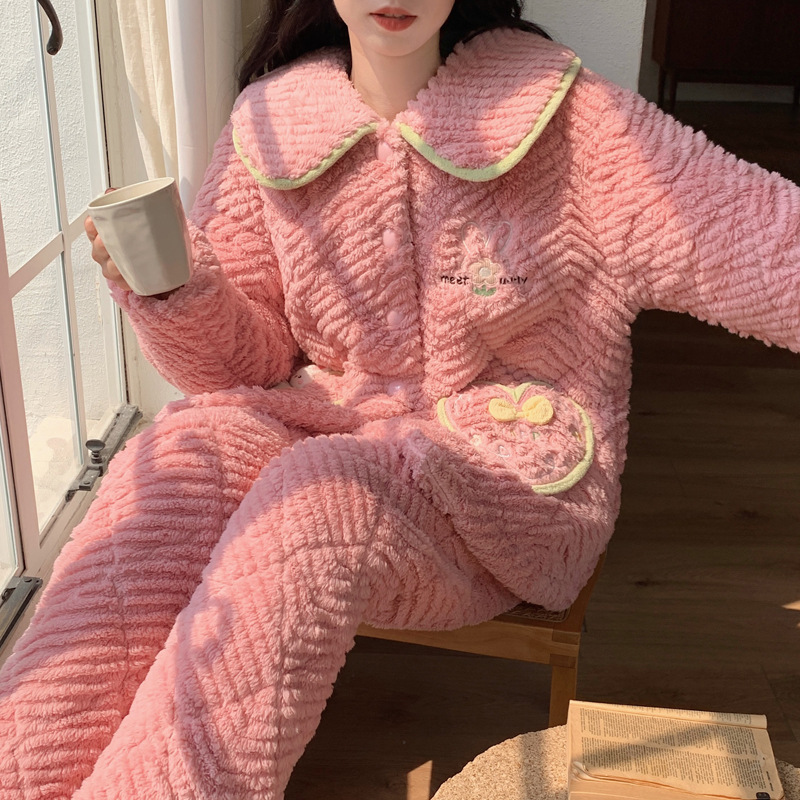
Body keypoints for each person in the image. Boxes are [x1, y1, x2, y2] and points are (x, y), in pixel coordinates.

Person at [1, 1, 799, 798]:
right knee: (173, 455)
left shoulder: (572, 121)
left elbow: (765, 240)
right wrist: (173, 285)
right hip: (325, 421)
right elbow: (245, 364)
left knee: (319, 506)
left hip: (506, 485)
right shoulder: (271, 121)